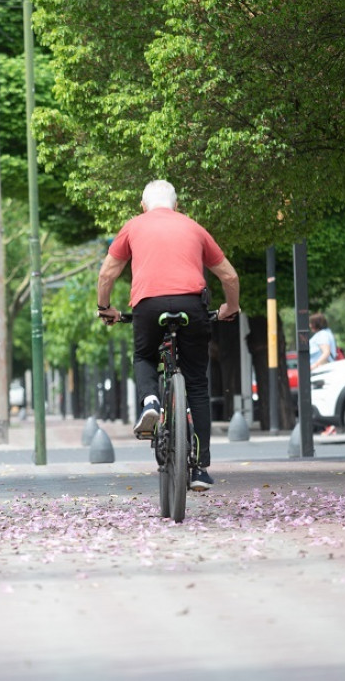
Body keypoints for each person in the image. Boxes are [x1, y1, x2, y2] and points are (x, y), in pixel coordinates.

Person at [95, 179, 240, 491]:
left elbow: (108, 272)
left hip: (147, 305)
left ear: (143, 206)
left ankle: (151, 402)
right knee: (198, 385)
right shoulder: (194, 227)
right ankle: (200, 469)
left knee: (144, 356)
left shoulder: (133, 226)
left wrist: (104, 306)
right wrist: (231, 307)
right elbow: (229, 274)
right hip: (193, 304)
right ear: (176, 206)